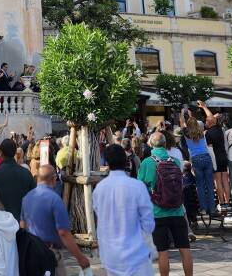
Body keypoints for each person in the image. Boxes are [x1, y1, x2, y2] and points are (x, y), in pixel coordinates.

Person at [93, 144, 155, 276]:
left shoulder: (99, 188)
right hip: (136, 253)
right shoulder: (137, 186)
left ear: (107, 163)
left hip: (110, 254)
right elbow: (148, 221)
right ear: (126, 161)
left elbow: (99, 216)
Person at [137, 132, 192, 276]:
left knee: (163, 252)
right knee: (185, 249)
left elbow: (140, 187)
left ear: (150, 144)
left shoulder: (147, 163)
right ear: (165, 143)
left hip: (157, 212)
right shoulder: (175, 161)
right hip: (178, 210)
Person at [20, 165, 90, 275]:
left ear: (38, 178)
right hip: (50, 253)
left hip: (32, 253)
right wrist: (80, 257)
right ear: (53, 179)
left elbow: (23, 225)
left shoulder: (27, 197)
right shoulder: (55, 200)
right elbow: (63, 233)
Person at [0, 139, 36, 221]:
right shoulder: (26, 173)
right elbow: (34, 199)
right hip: (20, 223)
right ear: (15, 153)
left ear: (0, 153)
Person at [179, 108, 217, 216]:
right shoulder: (201, 131)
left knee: (200, 185)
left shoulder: (186, 133)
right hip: (206, 157)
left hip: (196, 159)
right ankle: (213, 209)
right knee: (210, 185)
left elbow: (182, 123)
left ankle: (204, 209)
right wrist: (191, 115)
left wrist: (183, 114)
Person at [198, 102, 231, 207]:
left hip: (215, 158)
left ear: (209, 123)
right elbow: (211, 117)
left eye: (206, 121)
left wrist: (213, 163)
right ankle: (228, 201)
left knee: (218, 181)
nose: (205, 122)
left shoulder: (207, 134)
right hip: (223, 157)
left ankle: (221, 202)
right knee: (225, 180)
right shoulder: (219, 129)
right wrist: (204, 107)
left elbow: (210, 149)